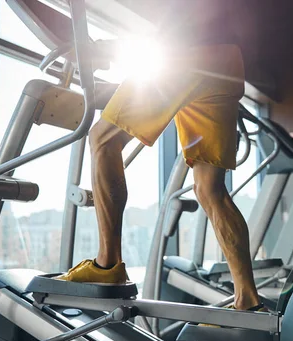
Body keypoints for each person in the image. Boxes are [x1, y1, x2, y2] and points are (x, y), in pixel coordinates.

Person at [55, 8, 265, 313]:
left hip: (185, 54)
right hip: (227, 62)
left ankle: (107, 265)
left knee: (102, 139)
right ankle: (247, 298)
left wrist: (102, 47)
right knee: (210, 190)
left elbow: (173, 25)